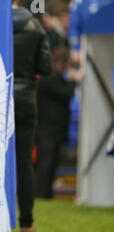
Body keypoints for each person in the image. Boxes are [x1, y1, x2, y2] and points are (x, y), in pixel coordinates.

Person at [0, 0, 52, 232]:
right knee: (24, 161)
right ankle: (26, 222)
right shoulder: (35, 26)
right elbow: (46, 67)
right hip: (26, 99)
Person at [35, 45, 77, 200]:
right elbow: (66, 94)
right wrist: (73, 81)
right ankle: (41, 195)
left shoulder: (52, 77)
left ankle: (46, 195)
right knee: (45, 166)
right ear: (59, 62)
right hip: (47, 130)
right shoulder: (49, 78)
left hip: (51, 129)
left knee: (50, 165)